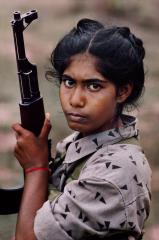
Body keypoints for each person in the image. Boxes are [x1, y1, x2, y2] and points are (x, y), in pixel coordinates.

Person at [12, 19, 152, 240]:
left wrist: (35, 168)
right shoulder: (82, 141)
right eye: (68, 82)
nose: (75, 100)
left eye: (93, 86)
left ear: (123, 91)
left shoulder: (117, 170)